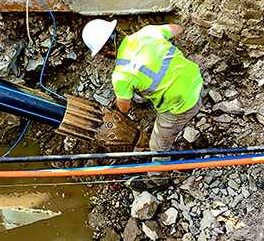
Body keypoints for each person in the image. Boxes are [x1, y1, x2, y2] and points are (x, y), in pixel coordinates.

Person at [82, 19, 203, 189]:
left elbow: (124, 107)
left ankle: (157, 181)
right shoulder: (148, 32)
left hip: (182, 104)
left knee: (157, 146)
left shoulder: (121, 75)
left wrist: (122, 91)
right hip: (196, 81)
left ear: (105, 51)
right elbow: (177, 29)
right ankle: (174, 147)